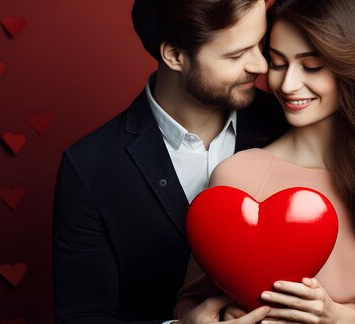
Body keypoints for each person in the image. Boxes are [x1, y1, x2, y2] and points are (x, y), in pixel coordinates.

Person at [174, 0, 355, 323]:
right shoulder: (238, 176)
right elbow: (190, 305)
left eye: (311, 66)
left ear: (349, 65)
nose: (288, 85)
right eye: (278, 64)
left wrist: (344, 319)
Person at [52, 0, 289, 322]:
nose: (261, 66)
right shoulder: (90, 166)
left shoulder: (289, 123)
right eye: (236, 55)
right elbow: (82, 316)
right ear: (175, 55)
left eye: (260, 45)